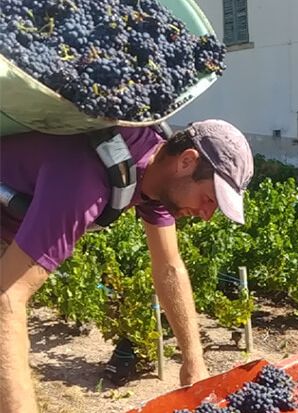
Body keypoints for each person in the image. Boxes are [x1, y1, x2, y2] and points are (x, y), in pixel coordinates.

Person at [0, 119, 254, 413]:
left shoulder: (153, 168)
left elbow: (169, 267)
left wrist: (194, 362)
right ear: (186, 161)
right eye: (210, 199)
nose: (207, 215)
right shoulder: (86, 182)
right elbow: (6, 298)